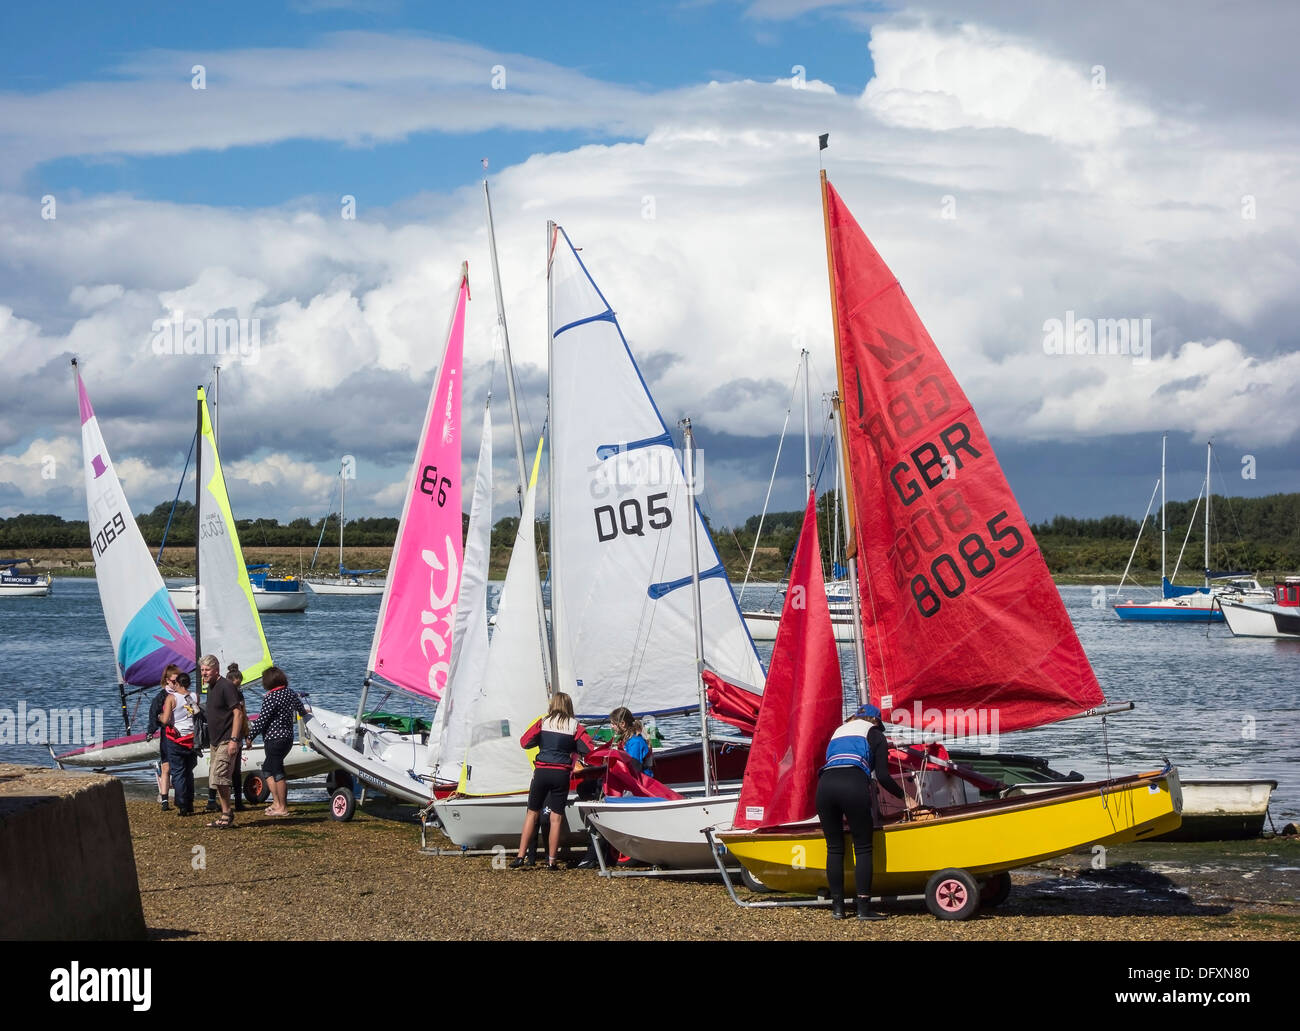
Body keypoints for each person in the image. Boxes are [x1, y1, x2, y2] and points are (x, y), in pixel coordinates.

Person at [815, 703, 908, 921]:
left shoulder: (838, 732)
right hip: (853, 786)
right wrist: (905, 797)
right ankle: (863, 909)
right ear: (875, 721)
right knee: (863, 847)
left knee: (835, 848)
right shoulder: (875, 734)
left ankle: (838, 908)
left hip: (825, 786)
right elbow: (883, 777)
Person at [511, 692, 596, 870]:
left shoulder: (543, 722)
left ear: (553, 705)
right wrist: (573, 747)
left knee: (531, 814)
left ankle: (520, 856)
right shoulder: (575, 725)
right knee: (556, 818)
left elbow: (524, 742)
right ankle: (551, 861)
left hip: (541, 772)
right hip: (561, 775)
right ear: (569, 706)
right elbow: (589, 748)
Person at [245, 666, 310, 818]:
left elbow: (261, 720)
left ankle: (283, 807)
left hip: (274, 739)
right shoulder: (291, 693)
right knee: (268, 769)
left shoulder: (271, 697)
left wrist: (249, 737)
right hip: (287, 738)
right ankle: (276, 802)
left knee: (277, 771)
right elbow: (301, 710)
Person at [199, 654, 245, 828]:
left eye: (207, 670)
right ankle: (226, 813)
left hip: (227, 739)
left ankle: (227, 814)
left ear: (216, 669)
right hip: (215, 741)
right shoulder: (210, 687)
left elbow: (238, 713)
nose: (204, 673)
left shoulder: (226, 686)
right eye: (202, 670)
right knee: (215, 779)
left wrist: (234, 739)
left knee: (220, 777)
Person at [159, 672, 201, 816]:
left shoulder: (171, 697)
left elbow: (165, 720)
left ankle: (182, 804)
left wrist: (159, 716)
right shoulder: (195, 696)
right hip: (192, 739)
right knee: (188, 772)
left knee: (178, 772)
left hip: (176, 740)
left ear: (177, 683)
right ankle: (189, 803)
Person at [147, 664, 183, 811]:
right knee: (166, 767)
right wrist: (150, 731)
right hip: (166, 735)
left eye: (178, 681)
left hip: (181, 735)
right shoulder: (161, 697)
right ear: (167, 680)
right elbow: (153, 715)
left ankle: (181, 797)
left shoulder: (182, 695)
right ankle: (164, 801)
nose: (176, 684)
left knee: (181, 767)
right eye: (174, 681)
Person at [609, 706, 653, 777]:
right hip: (630, 777)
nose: (611, 726)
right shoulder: (626, 740)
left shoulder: (635, 742)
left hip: (640, 782)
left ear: (622, 723)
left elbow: (634, 768)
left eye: (613, 724)